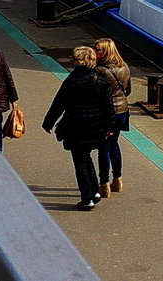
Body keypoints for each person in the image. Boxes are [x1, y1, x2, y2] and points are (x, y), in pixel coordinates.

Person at [42, 46, 114, 211]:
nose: (72, 62)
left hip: (76, 126)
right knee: (86, 157)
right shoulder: (101, 80)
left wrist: (48, 122)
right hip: (96, 126)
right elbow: (108, 106)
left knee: (80, 161)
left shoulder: (72, 80)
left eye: (74, 59)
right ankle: (94, 192)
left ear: (80, 61)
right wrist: (109, 127)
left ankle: (86, 198)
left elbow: (59, 103)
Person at [93, 38, 131, 198]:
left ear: (106, 51)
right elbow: (127, 90)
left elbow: (96, 93)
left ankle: (104, 184)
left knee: (103, 148)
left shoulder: (100, 70)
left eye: (98, 49)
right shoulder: (124, 67)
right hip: (122, 111)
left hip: (106, 113)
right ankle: (118, 179)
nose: (94, 52)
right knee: (114, 143)